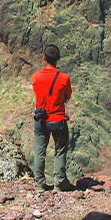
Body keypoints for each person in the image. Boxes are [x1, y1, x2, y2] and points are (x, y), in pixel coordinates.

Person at [32, 44, 75, 192]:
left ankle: (39, 185)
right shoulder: (64, 78)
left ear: (44, 58)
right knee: (60, 151)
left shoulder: (36, 77)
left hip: (41, 121)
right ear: (58, 59)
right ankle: (59, 183)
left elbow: (37, 93)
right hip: (58, 120)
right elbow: (67, 96)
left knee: (40, 153)